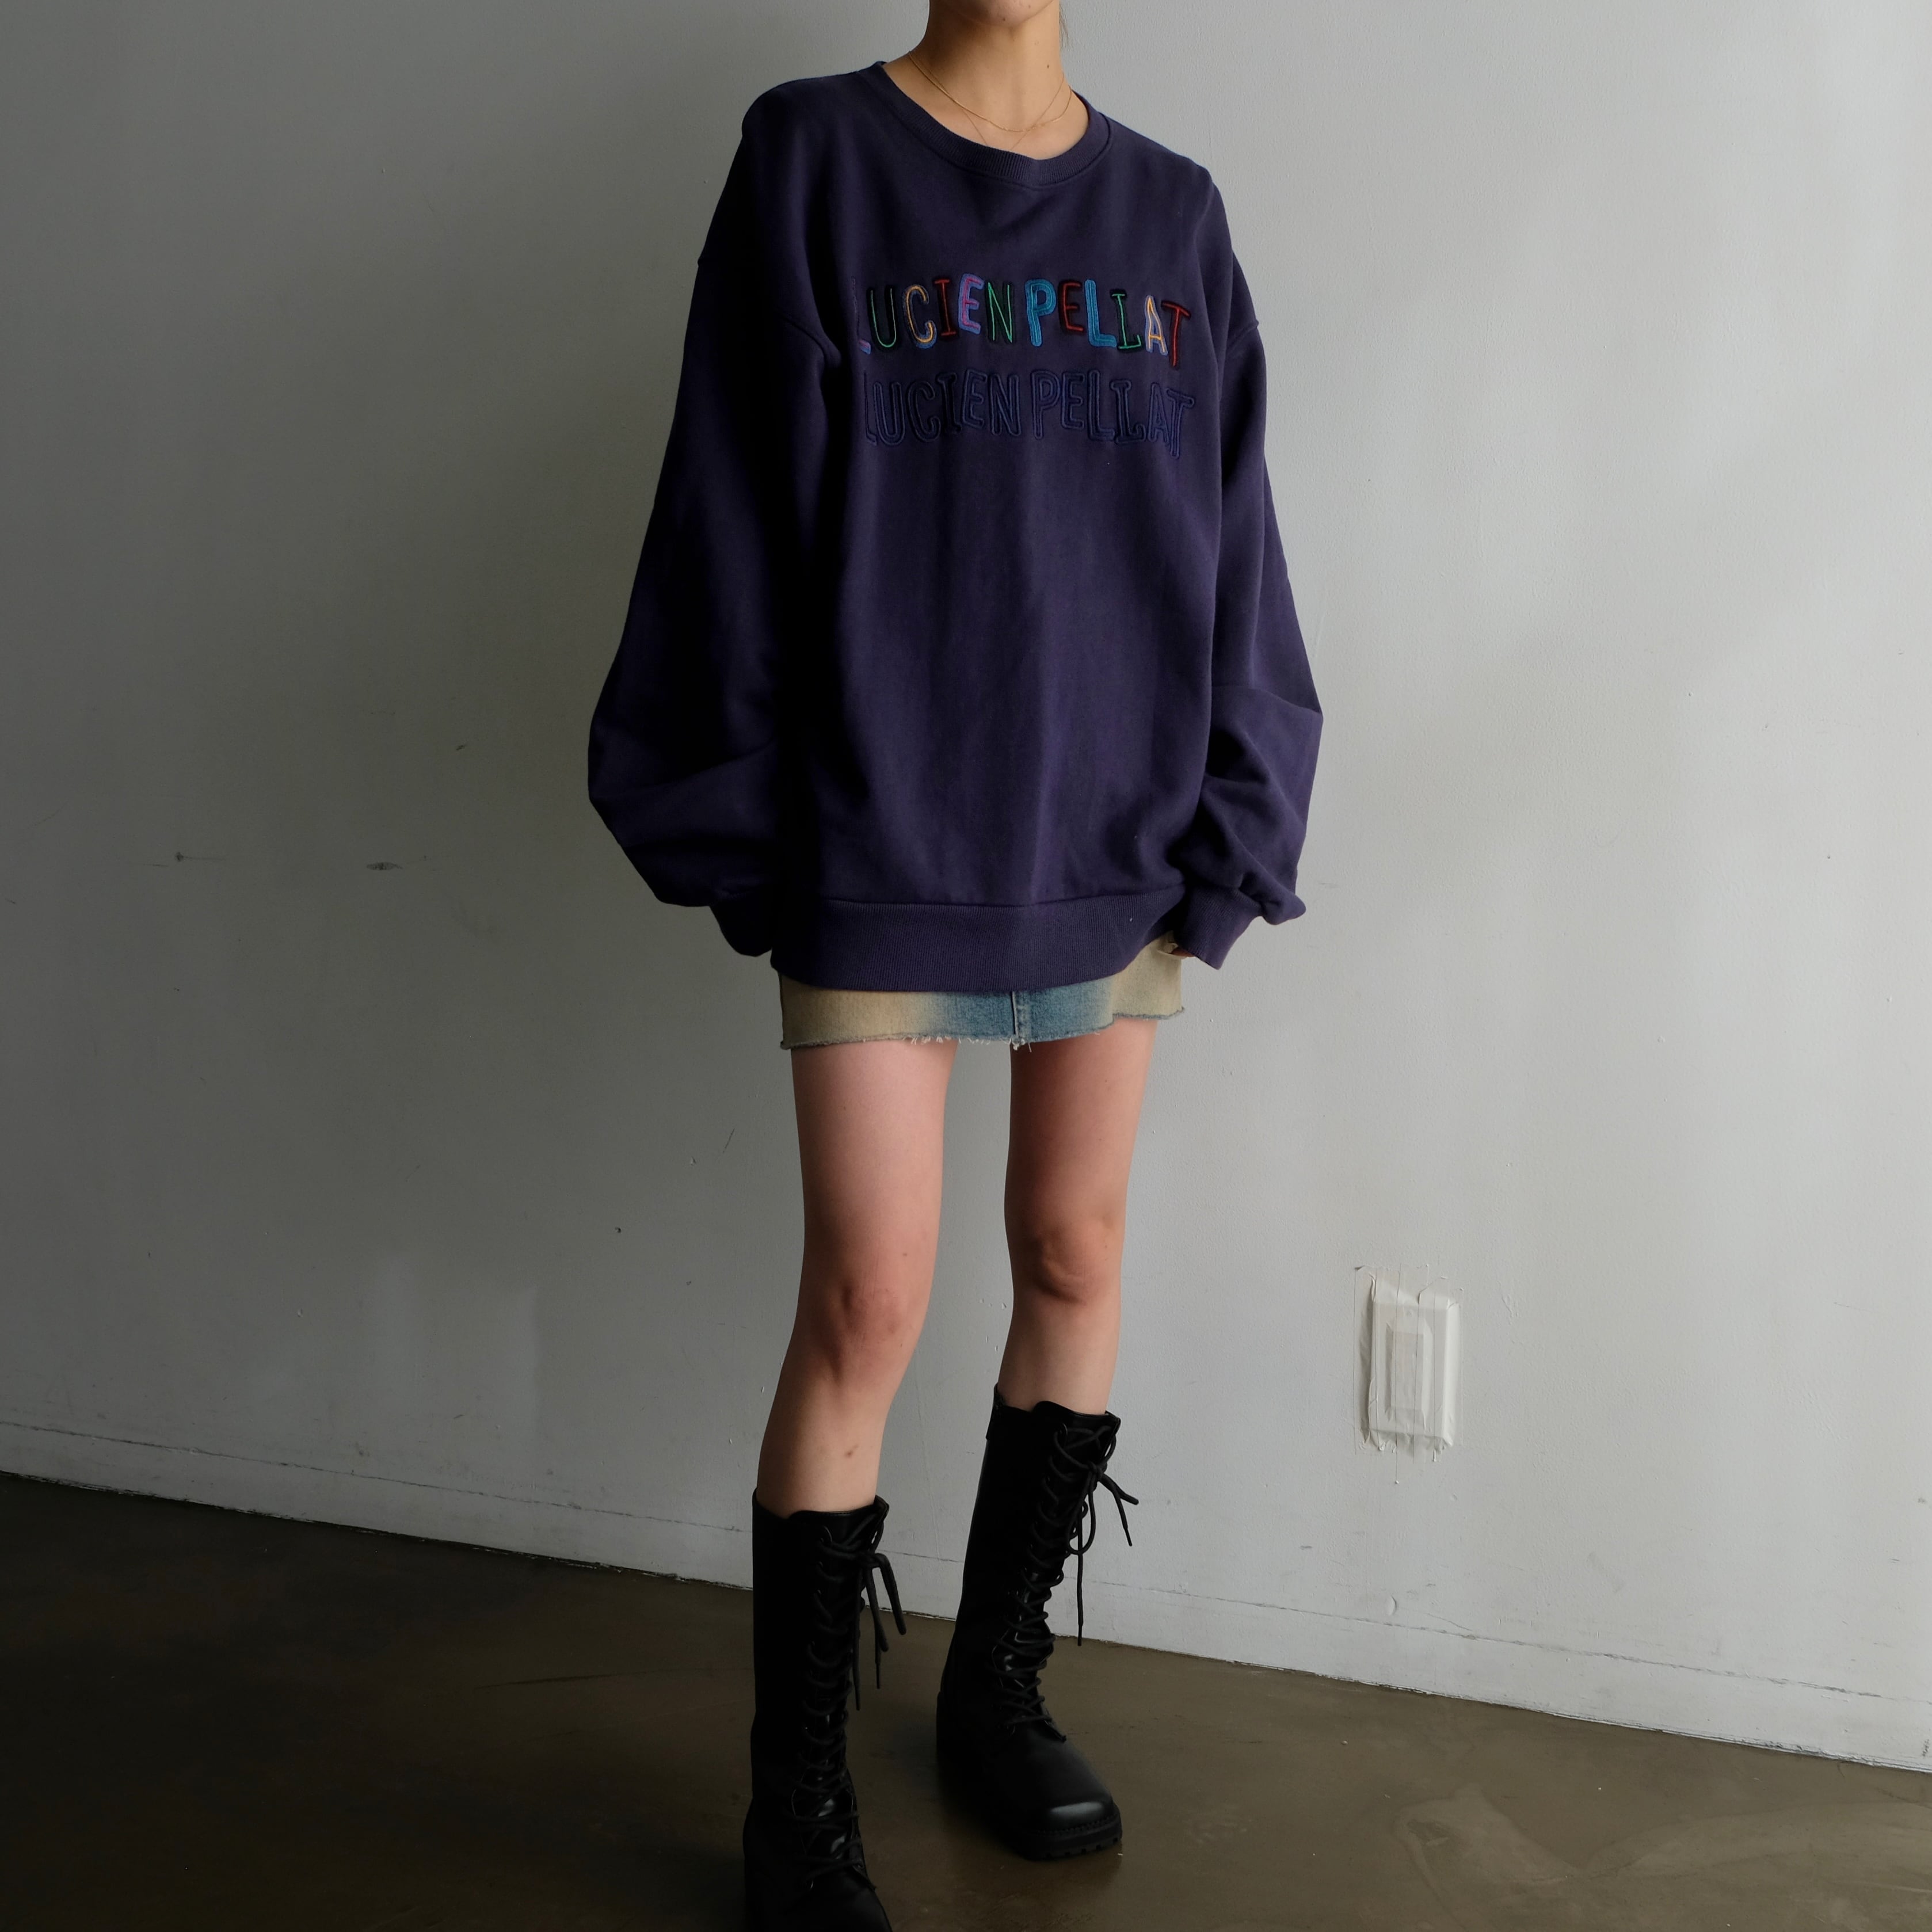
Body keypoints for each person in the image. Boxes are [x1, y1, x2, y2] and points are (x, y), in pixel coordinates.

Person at [586, 2, 1321, 1925]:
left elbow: (1235, 531)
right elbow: (728, 500)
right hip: (882, 828)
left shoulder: (1172, 216)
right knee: (869, 1298)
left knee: (1074, 1253)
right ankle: (797, 1811)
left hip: (1116, 833)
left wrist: (1236, 810)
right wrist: (741, 816)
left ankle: (994, 1689)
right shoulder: (814, 160)